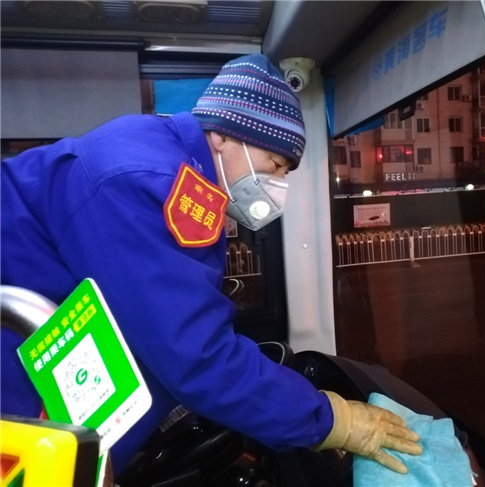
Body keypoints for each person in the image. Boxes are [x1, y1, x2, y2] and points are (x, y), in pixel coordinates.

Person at [1, 53, 422, 475]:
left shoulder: (168, 163)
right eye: (275, 165)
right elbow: (197, 355)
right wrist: (332, 421)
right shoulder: (152, 182)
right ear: (223, 135)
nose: (276, 186)